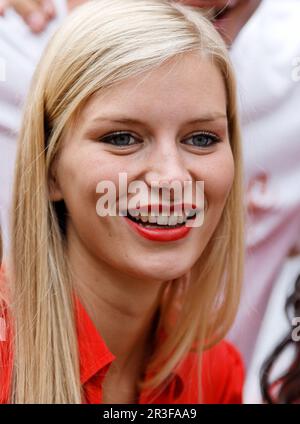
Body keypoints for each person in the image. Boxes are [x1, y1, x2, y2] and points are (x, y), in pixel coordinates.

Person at [0, 0, 245, 404]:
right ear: (49, 169)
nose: (171, 178)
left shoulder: (213, 372)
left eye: (201, 138)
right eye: (121, 138)